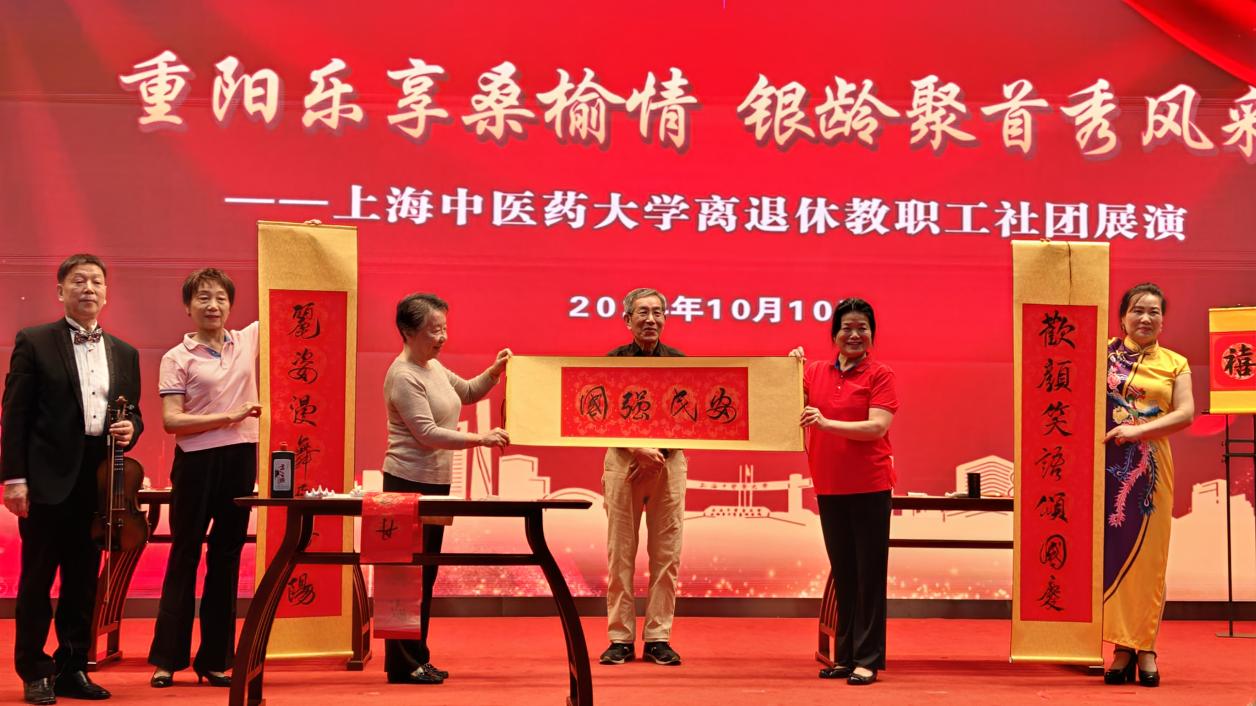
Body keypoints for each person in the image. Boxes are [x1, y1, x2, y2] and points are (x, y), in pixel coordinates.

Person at [2, 254, 144, 704]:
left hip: (99, 482)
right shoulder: (35, 341)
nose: (88, 289)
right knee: (37, 579)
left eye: (96, 282)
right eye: (78, 281)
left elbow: (134, 412)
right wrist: (14, 478)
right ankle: (34, 670)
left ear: (106, 294)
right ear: (61, 291)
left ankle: (73, 667)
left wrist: (132, 428)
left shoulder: (125, 352)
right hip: (46, 478)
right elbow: (14, 414)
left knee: (83, 581)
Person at [381, 293, 510, 684]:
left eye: (444, 328)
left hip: (435, 484)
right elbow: (427, 434)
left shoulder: (432, 366)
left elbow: (467, 392)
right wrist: (480, 439)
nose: (442, 337)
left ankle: (418, 658)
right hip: (407, 484)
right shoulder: (404, 375)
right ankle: (403, 664)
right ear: (408, 332)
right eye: (433, 330)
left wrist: (494, 371)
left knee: (425, 576)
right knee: (406, 578)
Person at [147, 269, 262, 688]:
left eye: (220, 298)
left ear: (230, 304)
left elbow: (287, 300)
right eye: (202, 298)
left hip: (240, 459)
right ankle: (167, 659)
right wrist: (229, 416)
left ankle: (215, 659)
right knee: (185, 554)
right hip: (195, 462)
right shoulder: (177, 357)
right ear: (187, 306)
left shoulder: (247, 340)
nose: (212, 306)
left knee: (226, 558)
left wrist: (303, 246)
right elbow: (171, 421)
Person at [790, 297, 897, 686]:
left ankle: (868, 658)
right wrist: (789, 370)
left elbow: (876, 427)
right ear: (834, 333)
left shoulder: (880, 374)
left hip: (869, 486)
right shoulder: (815, 372)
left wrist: (826, 424)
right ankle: (846, 656)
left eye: (862, 328)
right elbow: (785, 402)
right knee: (845, 574)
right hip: (830, 486)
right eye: (847, 328)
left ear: (872, 334)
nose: (854, 334)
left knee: (869, 575)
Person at [1101, 283, 1194, 688]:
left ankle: (1146, 647)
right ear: (1122, 317)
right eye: (1137, 310)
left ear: (1163, 320)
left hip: (1151, 469)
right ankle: (1122, 647)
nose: (1145, 318)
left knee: (1149, 560)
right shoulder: (1102, 355)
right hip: (1105, 467)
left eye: (1154, 312)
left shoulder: (1176, 363)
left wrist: (1138, 431)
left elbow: (1186, 413)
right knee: (1113, 554)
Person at [598, 288, 687, 667]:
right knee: (620, 553)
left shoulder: (680, 363)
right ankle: (619, 637)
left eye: (657, 312)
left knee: (667, 554)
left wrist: (657, 454)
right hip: (624, 460)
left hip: (669, 462)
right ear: (627, 319)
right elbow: (600, 414)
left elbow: (690, 416)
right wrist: (637, 449)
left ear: (665, 318)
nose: (650, 319)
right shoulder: (613, 361)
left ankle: (658, 637)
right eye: (642, 312)